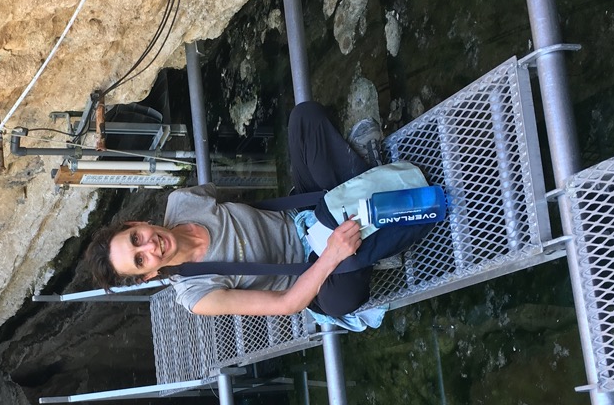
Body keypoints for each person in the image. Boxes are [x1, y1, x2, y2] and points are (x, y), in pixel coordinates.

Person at [82, 101, 430, 322]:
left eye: (136, 239)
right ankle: (363, 197)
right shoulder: (197, 295)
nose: (150, 246)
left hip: (305, 216)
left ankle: (363, 220)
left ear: (136, 223)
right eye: (140, 259)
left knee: (304, 120)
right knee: (341, 299)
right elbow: (287, 304)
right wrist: (332, 255)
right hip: (313, 275)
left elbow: (245, 199)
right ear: (148, 276)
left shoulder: (183, 201)